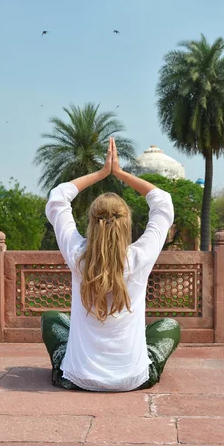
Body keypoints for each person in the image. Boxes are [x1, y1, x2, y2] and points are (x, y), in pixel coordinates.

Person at [41, 137, 180, 392]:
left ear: (92, 222)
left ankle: (67, 365)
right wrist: (120, 173)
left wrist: (102, 173)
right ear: (126, 222)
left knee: (52, 318)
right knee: (169, 326)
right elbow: (163, 203)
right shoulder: (141, 256)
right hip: (134, 379)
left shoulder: (77, 255)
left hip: (76, 378)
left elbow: (58, 198)